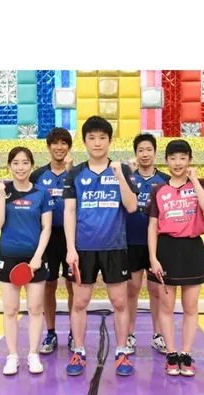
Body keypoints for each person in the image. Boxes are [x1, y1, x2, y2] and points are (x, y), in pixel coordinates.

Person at [63, 115, 140, 376]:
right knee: (80, 302)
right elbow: (70, 212)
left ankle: (122, 352)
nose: (97, 143)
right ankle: (79, 351)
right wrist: (70, 248)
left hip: (114, 247)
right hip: (83, 248)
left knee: (119, 302)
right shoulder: (75, 173)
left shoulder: (122, 170)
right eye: (92, 138)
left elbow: (131, 206)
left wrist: (120, 177)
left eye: (102, 137)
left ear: (110, 141)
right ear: (84, 141)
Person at [146, 139, 204, 376]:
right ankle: (171, 353)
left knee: (190, 306)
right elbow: (152, 227)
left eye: (182, 158)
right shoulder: (158, 189)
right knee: (166, 307)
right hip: (166, 250)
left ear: (189, 160)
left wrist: (194, 180)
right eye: (173, 158)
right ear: (166, 161)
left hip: (192, 249)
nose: (177, 163)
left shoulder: (200, 185)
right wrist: (153, 258)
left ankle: (186, 354)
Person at [0, 147, 54, 375]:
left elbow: (46, 228)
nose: (20, 167)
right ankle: (12, 355)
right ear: (9, 165)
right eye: (15, 163)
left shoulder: (41, 193)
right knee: (10, 309)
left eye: (25, 162)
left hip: (35, 258)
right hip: (8, 257)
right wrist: (1, 195)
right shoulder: (1, 191)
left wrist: (37, 257)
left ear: (32, 165)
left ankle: (33, 354)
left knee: (35, 308)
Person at [29, 127, 76, 354]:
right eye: (55, 143)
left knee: (73, 285)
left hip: (71, 237)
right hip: (46, 238)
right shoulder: (37, 176)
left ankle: (75, 333)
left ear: (69, 147)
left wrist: (70, 172)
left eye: (64, 143)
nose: (59, 147)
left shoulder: (77, 173)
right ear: (48, 147)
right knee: (48, 285)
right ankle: (50, 333)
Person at [125, 133, 170, 355]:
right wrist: (126, 174)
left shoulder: (165, 180)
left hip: (158, 244)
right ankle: (129, 334)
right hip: (131, 242)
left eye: (148, 150)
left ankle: (158, 334)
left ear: (155, 152)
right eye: (140, 150)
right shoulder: (127, 179)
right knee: (131, 290)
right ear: (135, 153)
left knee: (156, 291)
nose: (145, 154)